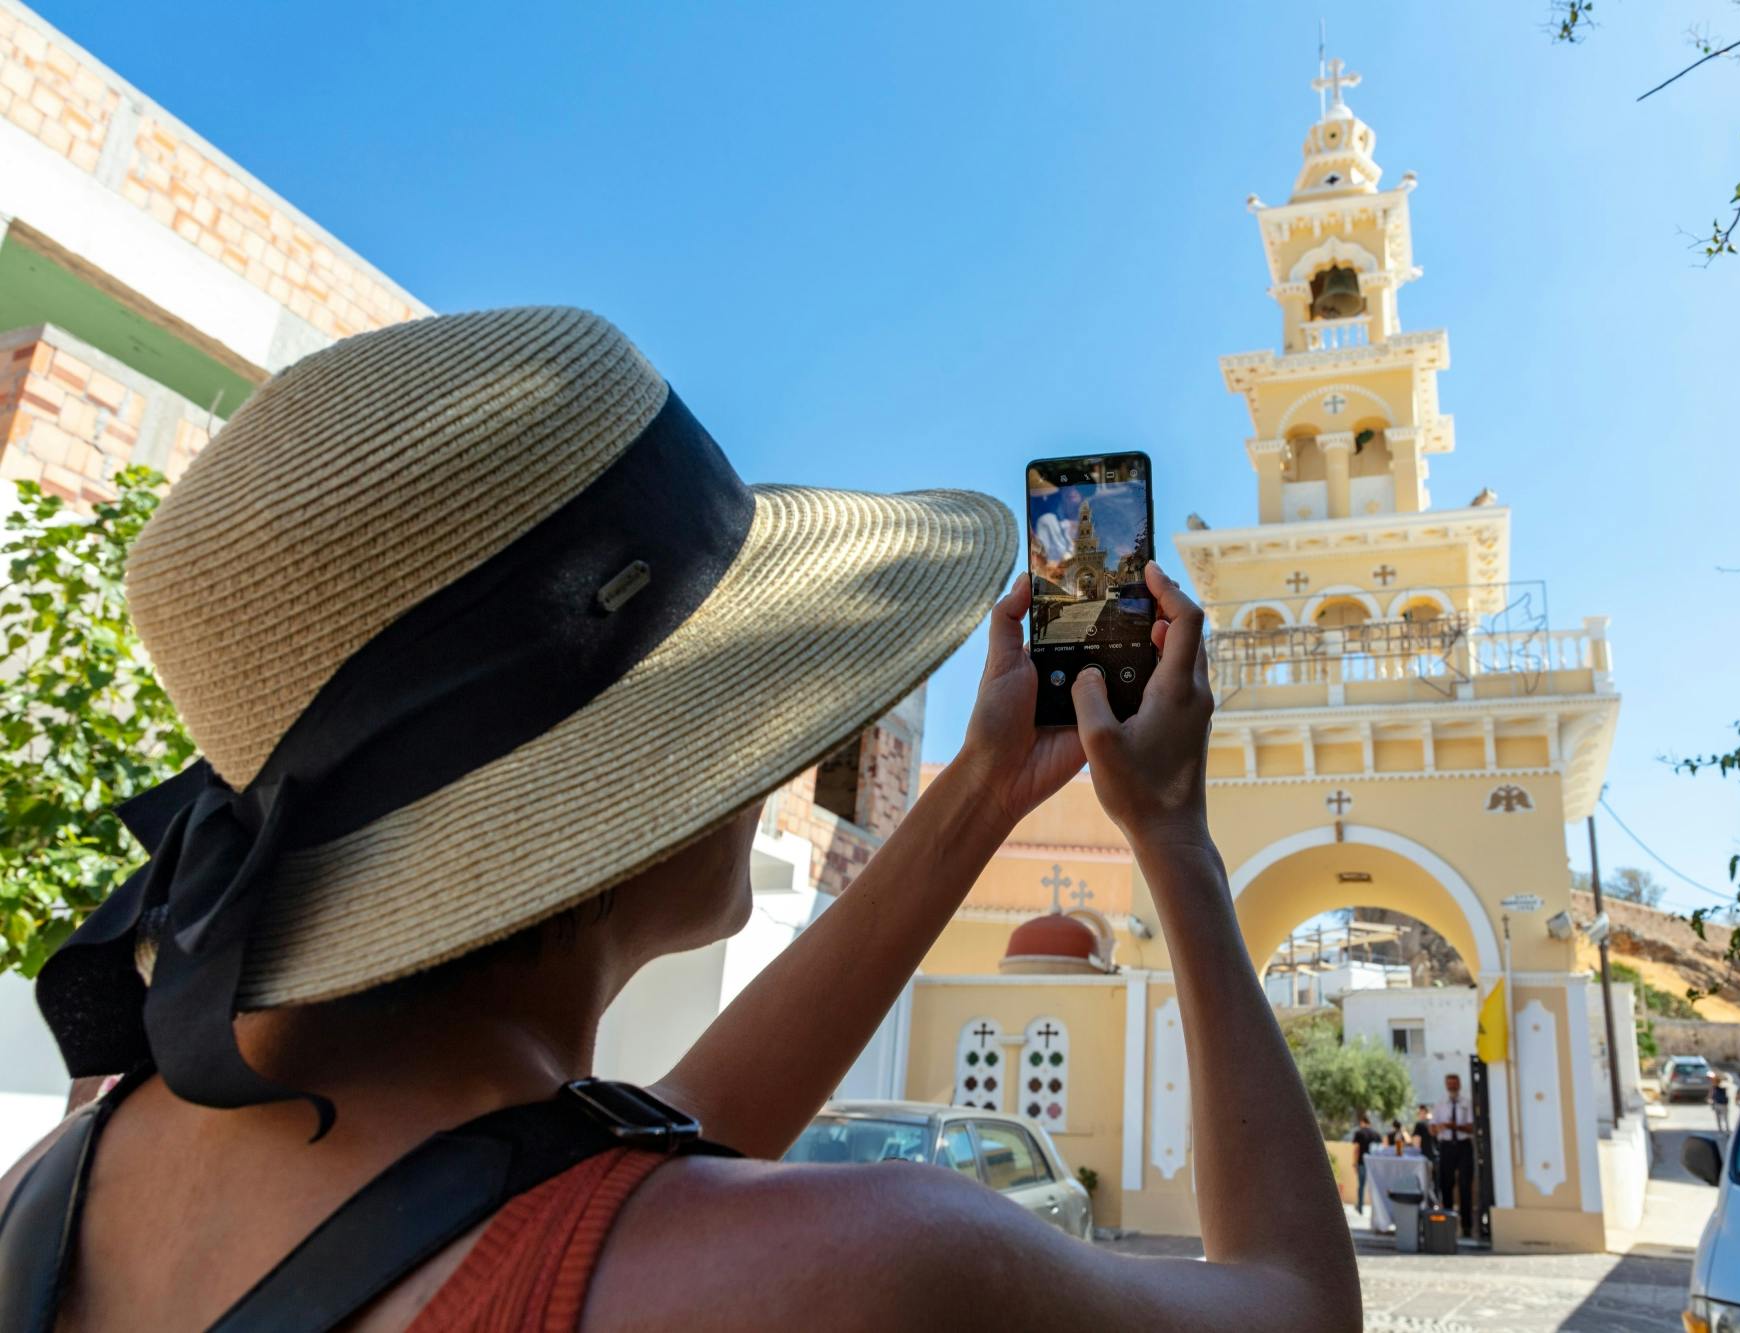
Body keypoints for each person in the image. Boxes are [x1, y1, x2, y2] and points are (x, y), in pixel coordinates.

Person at [0, 309, 1363, 1330]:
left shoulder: (77, 1173)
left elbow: (635, 1151)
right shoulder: (882, 1262)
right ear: (616, 794)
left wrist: (980, 796)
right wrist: (1173, 840)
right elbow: (1294, 1302)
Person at [1435, 1071, 1477, 1238]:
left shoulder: (1466, 1103)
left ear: (1459, 1085)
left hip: (1463, 1145)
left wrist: (1454, 1126)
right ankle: (1448, 1223)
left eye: (1455, 1084)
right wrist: (1441, 1127)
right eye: (1449, 1084)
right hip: (1446, 1146)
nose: (1452, 1086)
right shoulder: (1440, 1104)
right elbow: (1433, 1127)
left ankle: (1467, 1225)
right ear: (1446, 1085)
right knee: (1446, 1185)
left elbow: (1472, 1127)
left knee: (1466, 1185)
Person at [1351, 1111, 1382, 1213]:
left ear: (1362, 1122)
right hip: (1374, 1165)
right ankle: (1376, 1210)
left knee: (1361, 1186)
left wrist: (1354, 1162)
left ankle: (1360, 1207)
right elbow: (1380, 1150)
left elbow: (1356, 1149)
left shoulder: (1359, 1133)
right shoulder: (1376, 1134)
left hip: (1362, 1163)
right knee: (1374, 1188)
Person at [1709, 1070, 1731, 1136]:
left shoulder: (1720, 1085)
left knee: (1722, 1118)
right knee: (1722, 1118)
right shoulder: (1715, 1087)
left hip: (1721, 1104)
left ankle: (1725, 1130)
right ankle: (1724, 1130)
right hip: (1720, 1104)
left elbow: (1711, 1095)